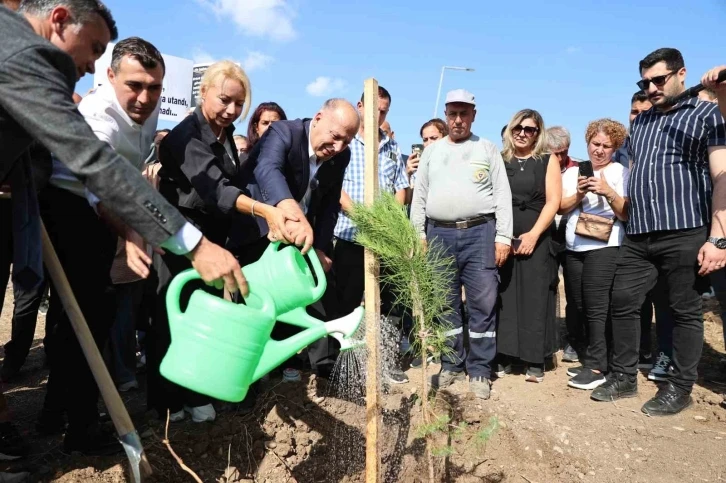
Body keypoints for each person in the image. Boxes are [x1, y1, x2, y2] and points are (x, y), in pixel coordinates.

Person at [151, 61, 295, 422]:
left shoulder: (224, 134)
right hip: (181, 236)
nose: (231, 110)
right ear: (203, 93)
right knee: (174, 314)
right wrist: (265, 211)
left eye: (239, 103)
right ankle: (169, 403)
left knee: (204, 314)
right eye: (224, 100)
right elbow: (216, 189)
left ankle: (196, 389)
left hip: (213, 236)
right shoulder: (188, 136)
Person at [591, 48, 726, 416]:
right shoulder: (643, 123)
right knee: (623, 303)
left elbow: (722, 176)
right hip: (639, 232)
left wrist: (718, 238)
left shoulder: (707, 113)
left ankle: (679, 388)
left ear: (681, 73)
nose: (651, 88)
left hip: (684, 230)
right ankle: (623, 376)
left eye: (658, 80)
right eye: (644, 82)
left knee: (684, 311)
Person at [242, 98, 360, 377]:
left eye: (347, 141)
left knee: (296, 296)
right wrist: (291, 211)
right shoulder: (284, 133)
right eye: (335, 137)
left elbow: (330, 203)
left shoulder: (340, 156)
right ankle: (246, 378)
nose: (339, 147)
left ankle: (298, 365)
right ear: (318, 118)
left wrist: (320, 248)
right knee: (252, 304)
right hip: (256, 230)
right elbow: (267, 170)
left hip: (297, 236)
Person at [411, 89, 513, 399]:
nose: (458, 119)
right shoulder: (432, 152)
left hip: (480, 233)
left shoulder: (487, 149)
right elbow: (420, 195)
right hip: (439, 234)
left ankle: (480, 371)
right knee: (444, 303)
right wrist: (419, 234)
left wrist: (503, 237)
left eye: (464, 113)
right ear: (446, 115)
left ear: (473, 115)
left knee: (483, 304)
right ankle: (451, 365)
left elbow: (502, 195)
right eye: (453, 113)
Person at [333, 86, 410, 384]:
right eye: (374, 109)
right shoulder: (346, 143)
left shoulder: (390, 147)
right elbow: (335, 187)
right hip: (351, 235)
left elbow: (401, 187)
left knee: (389, 303)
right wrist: (363, 218)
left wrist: (388, 220)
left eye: (385, 111)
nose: (379, 115)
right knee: (347, 303)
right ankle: (346, 366)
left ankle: (387, 362)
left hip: (385, 238)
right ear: (360, 106)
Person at [558, 119, 629, 390]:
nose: (599, 150)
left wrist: (608, 192)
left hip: (605, 247)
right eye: (595, 144)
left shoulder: (621, 173)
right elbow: (561, 208)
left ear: (615, 148)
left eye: (606, 146)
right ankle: (591, 357)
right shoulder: (572, 173)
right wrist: (578, 193)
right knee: (579, 304)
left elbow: (625, 213)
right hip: (575, 247)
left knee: (598, 307)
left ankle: (599, 366)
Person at [496, 109, 561, 383]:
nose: (523, 133)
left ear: (538, 133)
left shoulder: (548, 160)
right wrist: (502, 236)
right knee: (505, 295)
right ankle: (507, 355)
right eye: (518, 128)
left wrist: (533, 235)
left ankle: (535, 358)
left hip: (538, 234)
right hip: (505, 236)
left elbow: (553, 201)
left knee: (535, 297)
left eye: (530, 129)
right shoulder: (500, 160)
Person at [545, 125, 581, 364]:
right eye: (554, 153)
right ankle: (546, 337)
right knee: (546, 286)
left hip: (572, 235)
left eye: (563, 152)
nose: (559, 158)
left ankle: (575, 340)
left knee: (575, 292)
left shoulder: (579, 168)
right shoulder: (540, 167)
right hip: (546, 234)